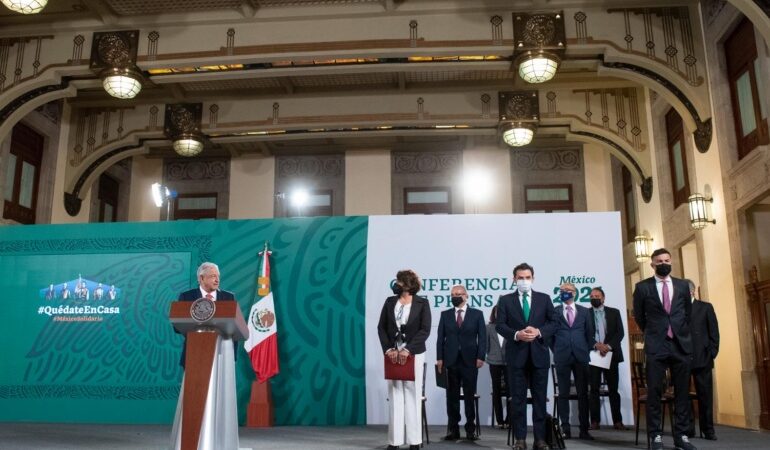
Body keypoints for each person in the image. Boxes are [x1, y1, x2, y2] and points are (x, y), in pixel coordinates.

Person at [633, 248, 695, 450]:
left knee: (682, 392)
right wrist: (654, 332)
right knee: (654, 392)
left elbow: (687, 313)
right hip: (656, 344)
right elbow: (639, 316)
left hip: (680, 344)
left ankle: (681, 436)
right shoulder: (642, 287)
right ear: (652, 264)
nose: (663, 263)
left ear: (671, 261)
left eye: (666, 260)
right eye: (659, 261)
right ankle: (655, 436)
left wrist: (678, 331)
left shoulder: (682, 285)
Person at [496, 262, 557, 450]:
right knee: (518, 400)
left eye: (527, 277)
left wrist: (539, 331)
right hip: (516, 357)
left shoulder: (544, 299)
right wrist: (516, 334)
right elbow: (500, 325)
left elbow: (554, 323)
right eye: (520, 278)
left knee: (540, 400)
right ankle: (520, 439)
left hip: (539, 356)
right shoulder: (505, 300)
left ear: (533, 279)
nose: (524, 281)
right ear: (514, 279)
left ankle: (540, 440)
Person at [377, 269, 431, 450]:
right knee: (395, 395)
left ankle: (414, 441)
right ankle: (394, 441)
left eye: (399, 281)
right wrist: (388, 349)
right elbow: (381, 327)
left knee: (413, 394)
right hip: (393, 353)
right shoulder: (389, 301)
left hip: (414, 353)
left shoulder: (422, 303)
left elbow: (425, 330)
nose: (396, 284)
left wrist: (408, 349)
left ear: (408, 285)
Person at [436, 284, 486, 441]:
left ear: (466, 296)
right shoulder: (445, 315)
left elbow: (482, 338)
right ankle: (453, 429)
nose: (455, 297)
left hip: (470, 361)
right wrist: (439, 358)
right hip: (450, 361)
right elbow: (440, 338)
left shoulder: (477, 314)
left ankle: (470, 429)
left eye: (458, 294)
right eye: (452, 294)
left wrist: (480, 357)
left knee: (469, 396)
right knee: (452, 397)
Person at [550, 282, 594, 440]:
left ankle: (584, 430)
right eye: (561, 290)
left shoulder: (585, 311)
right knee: (563, 393)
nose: (564, 292)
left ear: (574, 293)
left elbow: (590, 333)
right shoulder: (554, 311)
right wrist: (556, 349)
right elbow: (549, 335)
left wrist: (585, 349)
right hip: (562, 356)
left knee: (583, 394)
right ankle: (565, 429)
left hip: (581, 356)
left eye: (567, 290)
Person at [177, 262, 236, 367]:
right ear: (201, 278)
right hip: (194, 354)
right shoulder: (187, 297)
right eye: (213, 276)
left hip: (222, 355)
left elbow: (234, 328)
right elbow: (178, 326)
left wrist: (232, 356)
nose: (217, 280)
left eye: (218, 276)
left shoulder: (228, 297)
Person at [588, 287, 627, 431]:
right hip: (593, 355)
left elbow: (620, 333)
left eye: (597, 296)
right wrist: (597, 345)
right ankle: (594, 421)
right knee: (594, 389)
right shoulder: (585, 313)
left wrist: (607, 346)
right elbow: (585, 333)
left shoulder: (614, 312)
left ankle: (617, 421)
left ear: (603, 298)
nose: (594, 298)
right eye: (592, 296)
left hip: (611, 355)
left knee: (613, 389)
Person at [685, 279, 719, 441]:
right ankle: (688, 428)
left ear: (692, 291)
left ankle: (708, 429)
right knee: (683, 397)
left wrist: (711, 353)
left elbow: (714, 333)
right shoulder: (677, 310)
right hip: (683, 359)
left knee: (705, 396)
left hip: (702, 358)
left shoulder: (705, 307)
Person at [486, 305, 509, 429]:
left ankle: (509, 420)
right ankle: (499, 420)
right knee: (496, 390)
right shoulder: (489, 328)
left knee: (510, 390)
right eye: (497, 312)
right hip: (494, 362)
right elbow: (485, 345)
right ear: (493, 314)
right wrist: (488, 355)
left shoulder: (510, 327)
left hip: (508, 362)